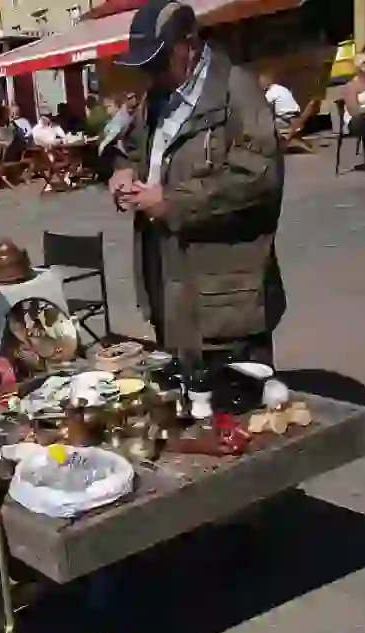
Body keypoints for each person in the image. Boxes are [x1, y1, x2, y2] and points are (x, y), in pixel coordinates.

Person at [108, 0, 284, 367]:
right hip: (168, 284)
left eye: (158, 61)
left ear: (189, 43)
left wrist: (173, 201)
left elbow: (258, 177)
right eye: (144, 65)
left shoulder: (237, 91)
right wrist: (123, 169)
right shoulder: (157, 96)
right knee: (188, 407)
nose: (150, 73)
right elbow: (136, 147)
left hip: (224, 293)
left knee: (237, 409)